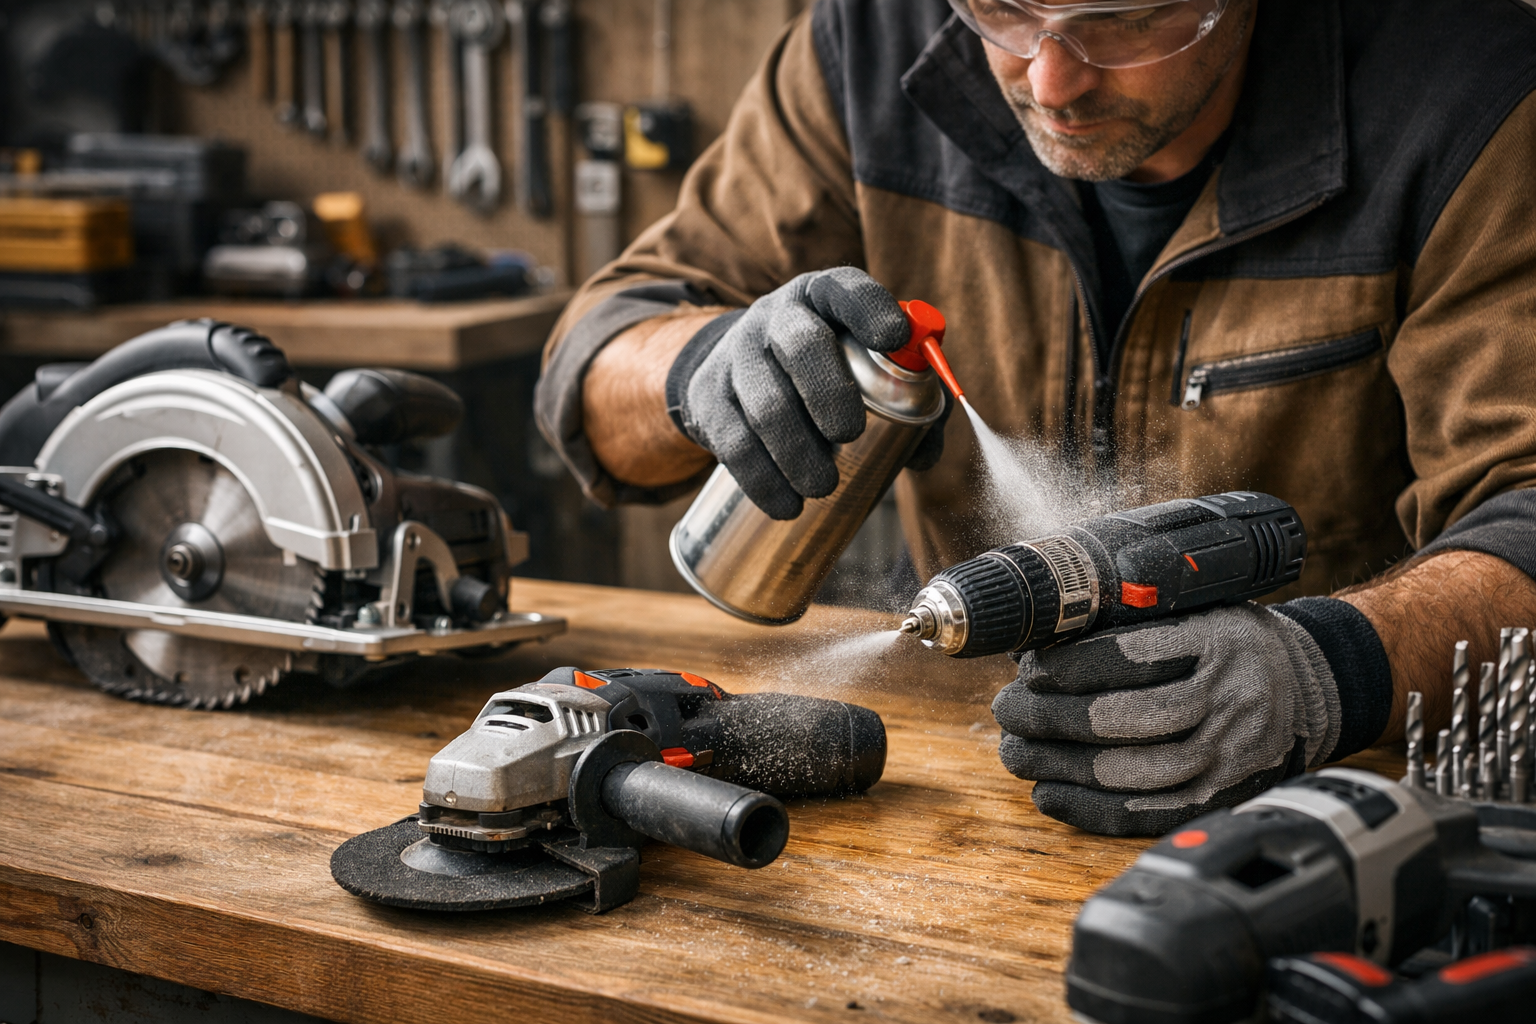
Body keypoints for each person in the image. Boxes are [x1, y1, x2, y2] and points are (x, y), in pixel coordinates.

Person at [534, 0, 1536, 835]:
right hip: (970, 790)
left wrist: (1328, 670)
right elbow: (594, 361)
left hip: (1343, 810)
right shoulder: (867, 42)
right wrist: (701, 363)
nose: (1051, 82)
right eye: (1004, 9)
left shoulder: (1472, 96)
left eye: (1123, 20)